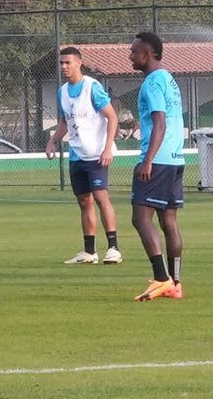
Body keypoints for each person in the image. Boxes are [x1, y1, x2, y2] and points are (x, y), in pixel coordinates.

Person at [45, 46, 122, 265]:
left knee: (100, 197)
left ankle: (114, 248)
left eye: (68, 62)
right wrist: (52, 141)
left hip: (96, 154)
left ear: (79, 62)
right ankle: (90, 252)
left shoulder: (91, 87)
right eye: (61, 63)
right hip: (77, 155)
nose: (64, 67)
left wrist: (107, 148)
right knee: (83, 200)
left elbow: (112, 117)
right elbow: (64, 122)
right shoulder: (62, 91)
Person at [128, 31, 186, 302]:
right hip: (175, 158)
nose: (130, 56)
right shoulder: (169, 79)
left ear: (147, 54)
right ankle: (175, 283)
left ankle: (161, 278)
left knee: (140, 218)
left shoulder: (152, 83)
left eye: (134, 52)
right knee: (169, 221)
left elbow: (159, 123)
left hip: (158, 159)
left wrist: (147, 160)